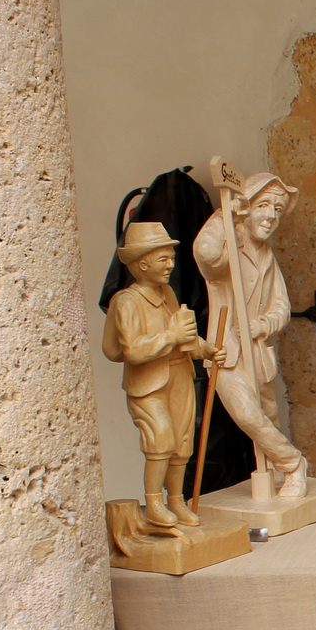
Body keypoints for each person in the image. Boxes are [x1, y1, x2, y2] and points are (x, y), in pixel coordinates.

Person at [193, 171, 309, 498]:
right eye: (263, 205)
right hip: (227, 349)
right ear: (245, 207)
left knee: (269, 419)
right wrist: (224, 216)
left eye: (278, 209)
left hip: (258, 351)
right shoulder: (229, 244)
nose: (271, 216)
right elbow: (205, 254)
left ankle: (276, 473)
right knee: (247, 415)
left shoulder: (267, 255)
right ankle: (293, 464)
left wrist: (263, 325)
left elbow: (282, 306)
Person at [102, 222, 217, 526]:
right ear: (142, 264)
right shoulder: (127, 301)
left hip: (179, 374)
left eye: (171, 258)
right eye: (163, 259)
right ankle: (154, 504)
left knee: (182, 442)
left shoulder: (167, 293)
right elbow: (132, 351)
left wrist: (205, 349)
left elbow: (184, 337)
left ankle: (176, 501)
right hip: (148, 384)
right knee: (160, 440)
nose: (170, 265)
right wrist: (171, 336)